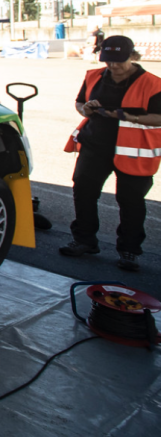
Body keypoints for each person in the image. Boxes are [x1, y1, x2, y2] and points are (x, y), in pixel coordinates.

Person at [61, 35, 161, 272]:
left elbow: (159, 117)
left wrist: (128, 116)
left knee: (131, 201)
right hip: (95, 145)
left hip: (133, 151)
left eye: (119, 61)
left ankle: (129, 250)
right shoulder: (93, 76)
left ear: (133, 56)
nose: (114, 66)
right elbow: (80, 102)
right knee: (83, 191)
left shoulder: (153, 84)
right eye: (108, 60)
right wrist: (85, 109)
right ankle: (84, 240)